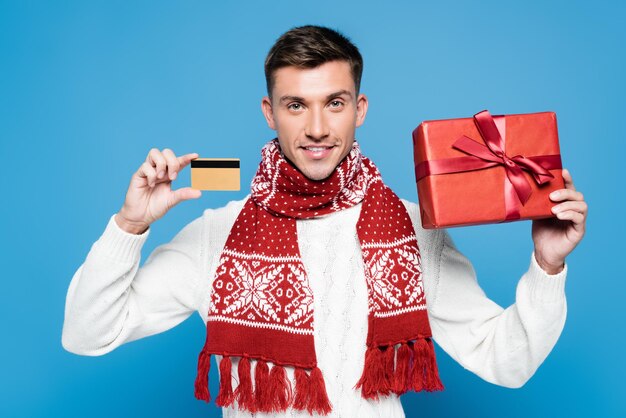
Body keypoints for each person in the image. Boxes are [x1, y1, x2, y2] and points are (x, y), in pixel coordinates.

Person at [62, 25, 588, 418]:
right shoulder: (216, 235)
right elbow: (88, 334)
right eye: (296, 105)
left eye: (333, 103)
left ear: (359, 108)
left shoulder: (412, 229)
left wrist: (546, 265)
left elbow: (506, 362)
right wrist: (129, 227)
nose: (316, 128)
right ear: (270, 112)